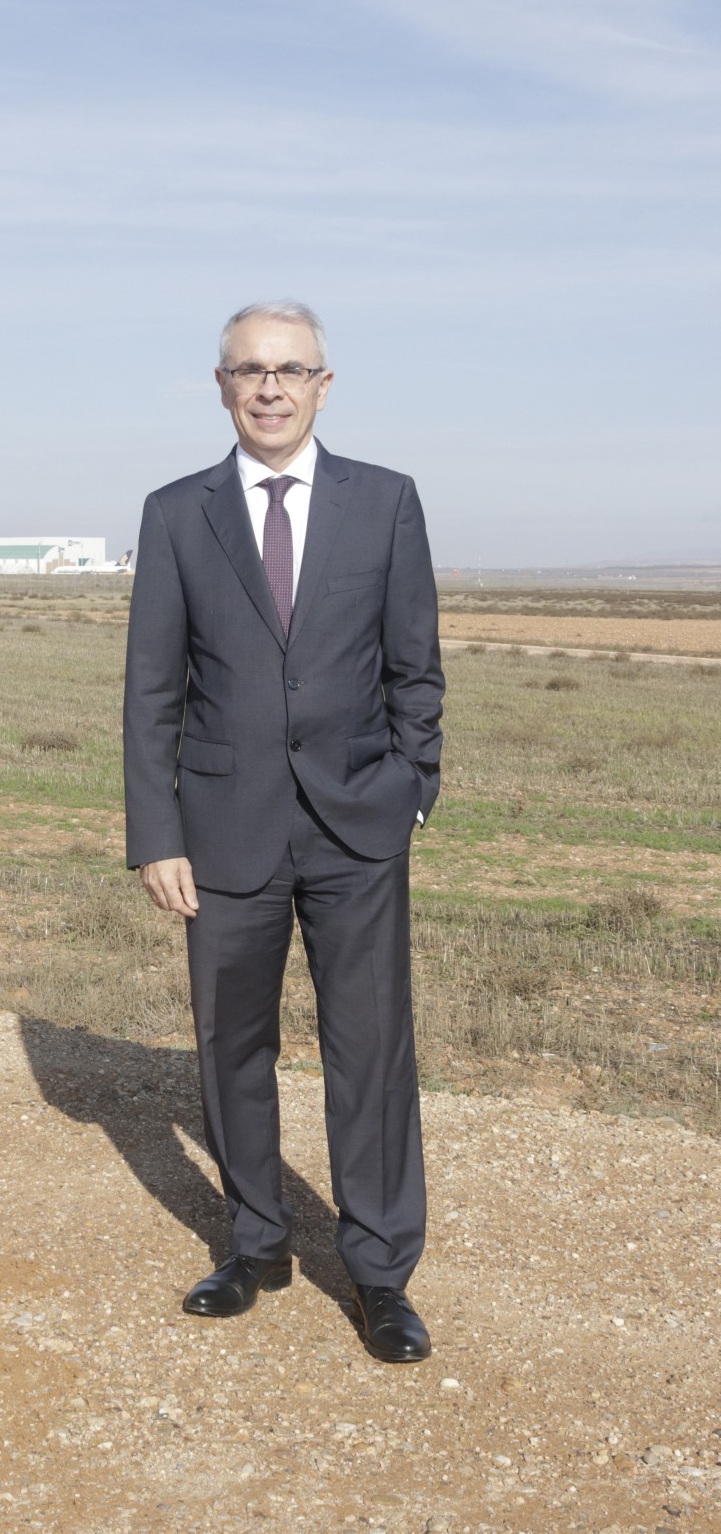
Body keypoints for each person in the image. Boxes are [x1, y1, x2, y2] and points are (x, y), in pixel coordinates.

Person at [122, 301, 444, 1362]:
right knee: (231, 1047)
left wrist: (411, 791)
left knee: (371, 1055)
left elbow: (415, 671)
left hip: (357, 831)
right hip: (222, 833)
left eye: (288, 369)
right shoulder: (176, 513)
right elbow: (151, 693)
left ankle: (381, 1274)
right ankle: (254, 1245)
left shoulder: (385, 502)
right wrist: (157, 833)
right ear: (221, 385)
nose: (268, 388)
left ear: (322, 383)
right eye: (248, 370)